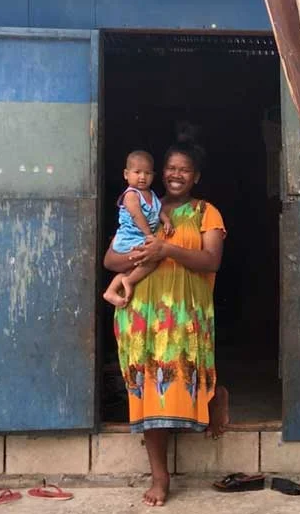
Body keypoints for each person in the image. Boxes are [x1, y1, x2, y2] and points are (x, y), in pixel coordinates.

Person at [103, 135, 226, 507]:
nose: (176, 175)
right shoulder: (144, 208)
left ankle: (215, 394)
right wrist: (141, 253)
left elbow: (211, 262)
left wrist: (167, 248)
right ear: (160, 173)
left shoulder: (207, 212)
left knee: (181, 383)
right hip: (142, 318)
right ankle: (160, 476)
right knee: (148, 396)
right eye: (171, 168)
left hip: (186, 317)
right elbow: (110, 260)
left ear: (196, 176)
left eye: (184, 170)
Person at [102, 150, 174, 307]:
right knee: (150, 259)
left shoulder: (151, 194)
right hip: (130, 237)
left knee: (137, 265)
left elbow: (158, 210)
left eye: (147, 173)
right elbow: (137, 216)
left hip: (140, 237)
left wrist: (166, 220)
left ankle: (111, 291)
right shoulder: (131, 195)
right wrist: (149, 235)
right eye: (137, 172)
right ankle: (128, 281)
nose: (142, 177)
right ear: (126, 174)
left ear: (153, 176)